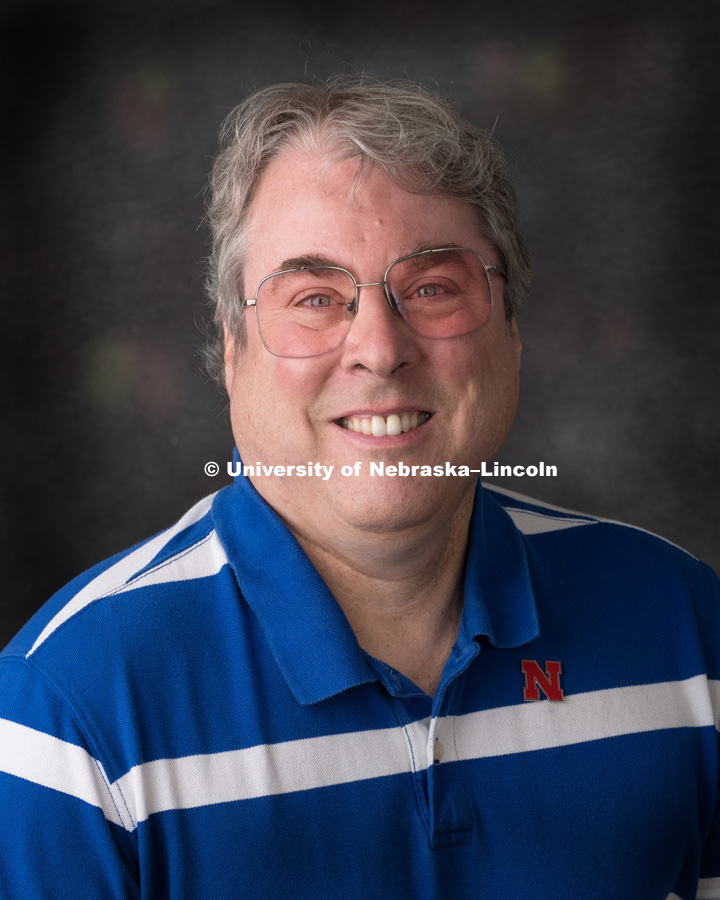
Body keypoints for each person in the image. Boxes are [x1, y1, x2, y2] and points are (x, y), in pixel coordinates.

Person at [0, 76, 718, 900]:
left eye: (432, 289)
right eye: (315, 298)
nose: (379, 348)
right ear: (232, 348)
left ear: (512, 331)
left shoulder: (686, 631)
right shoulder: (67, 713)